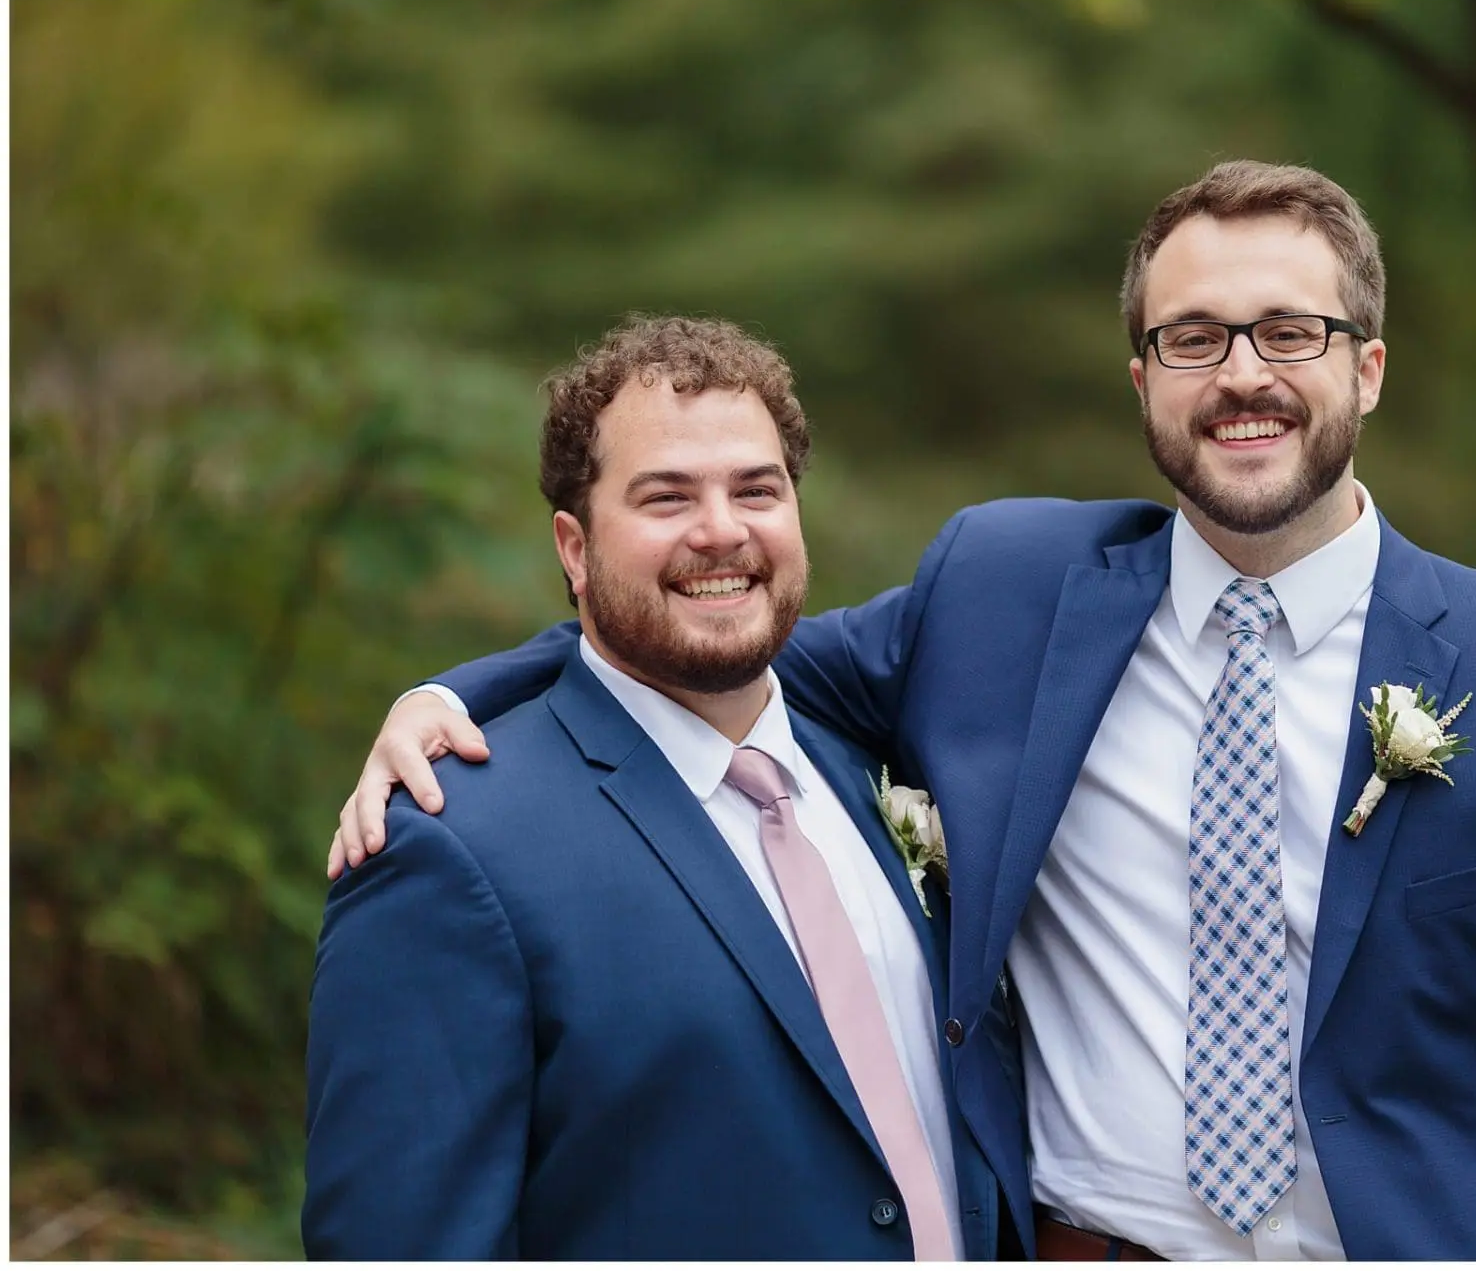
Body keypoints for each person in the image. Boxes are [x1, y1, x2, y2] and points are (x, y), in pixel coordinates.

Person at [330, 162, 1476, 1260]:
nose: (1241, 372)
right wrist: (460, 691)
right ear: (1142, 380)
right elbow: (713, 638)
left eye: (1290, 331)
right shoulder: (1005, 592)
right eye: (1192, 337)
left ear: (1366, 365)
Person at [303, 316, 1021, 1259]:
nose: (721, 531)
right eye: (666, 497)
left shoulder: (872, 768)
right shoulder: (451, 847)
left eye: (755, 490)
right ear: (574, 547)